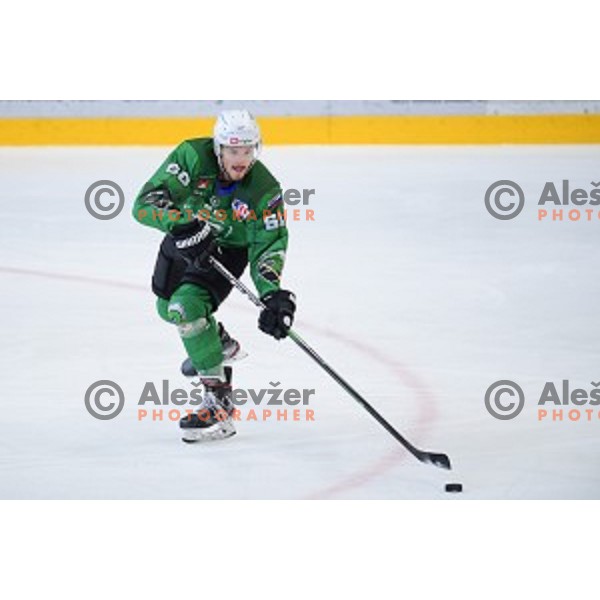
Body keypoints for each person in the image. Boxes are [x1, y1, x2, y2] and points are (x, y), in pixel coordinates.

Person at [132, 109, 296, 442]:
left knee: (185, 309)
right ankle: (216, 341)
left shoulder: (265, 189)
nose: (241, 159)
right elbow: (145, 203)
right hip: (186, 235)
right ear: (219, 148)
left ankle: (219, 404)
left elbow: (269, 243)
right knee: (166, 309)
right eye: (234, 151)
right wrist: (181, 223)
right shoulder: (192, 155)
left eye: (248, 150)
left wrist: (271, 293)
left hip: (227, 249)